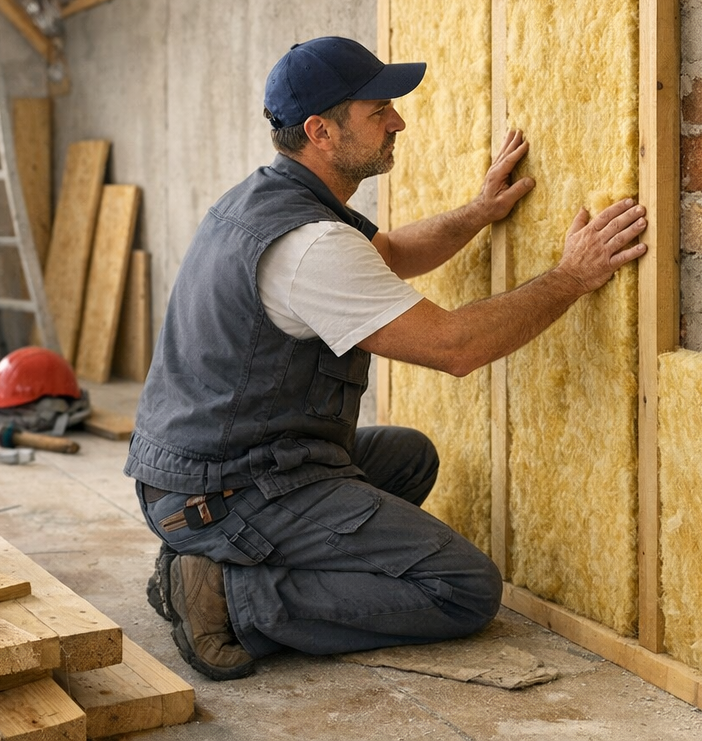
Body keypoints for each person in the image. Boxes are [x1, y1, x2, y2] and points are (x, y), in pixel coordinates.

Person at [123, 35, 647, 682]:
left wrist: (480, 212)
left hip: (210, 470)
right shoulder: (309, 245)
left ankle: (206, 564)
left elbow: (392, 253)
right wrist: (571, 276)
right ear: (321, 130)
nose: (398, 120)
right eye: (378, 112)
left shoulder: (272, 201)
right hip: (221, 491)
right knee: (462, 588)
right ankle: (232, 598)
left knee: (409, 457)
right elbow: (457, 347)